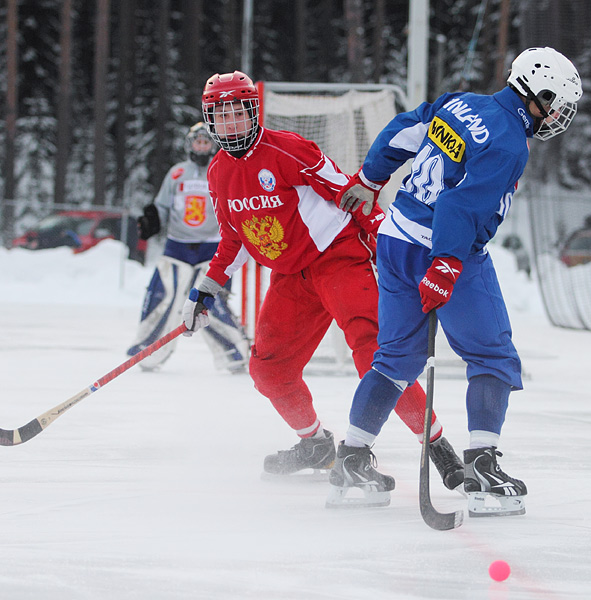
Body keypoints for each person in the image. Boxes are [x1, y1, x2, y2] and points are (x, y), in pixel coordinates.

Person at [181, 71, 463, 497]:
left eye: (239, 113)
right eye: (222, 116)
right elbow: (234, 239)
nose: (231, 124)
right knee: (268, 370)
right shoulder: (219, 172)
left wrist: (391, 254)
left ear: (253, 112)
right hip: (292, 277)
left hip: (338, 259)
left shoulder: (289, 149)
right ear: (211, 120)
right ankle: (315, 443)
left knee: (376, 356)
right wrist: (207, 287)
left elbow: (351, 194)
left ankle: (439, 448)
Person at [329, 47, 583, 516]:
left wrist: (370, 177)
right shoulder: (509, 142)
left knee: (395, 360)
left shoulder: (461, 102)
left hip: (396, 237)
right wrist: (445, 266)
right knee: (493, 355)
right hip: (444, 249)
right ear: (535, 94)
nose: (558, 116)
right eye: (556, 104)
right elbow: (457, 208)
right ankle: (483, 466)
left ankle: (351, 458)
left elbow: (403, 130)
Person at [128, 122, 249, 373]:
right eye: (198, 142)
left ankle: (233, 351)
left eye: (206, 142)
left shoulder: (222, 168)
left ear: (212, 145)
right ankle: (147, 348)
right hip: (177, 247)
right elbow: (162, 205)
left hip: (213, 248)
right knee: (165, 295)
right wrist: (153, 219)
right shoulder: (176, 173)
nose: (202, 146)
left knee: (210, 302)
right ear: (190, 144)